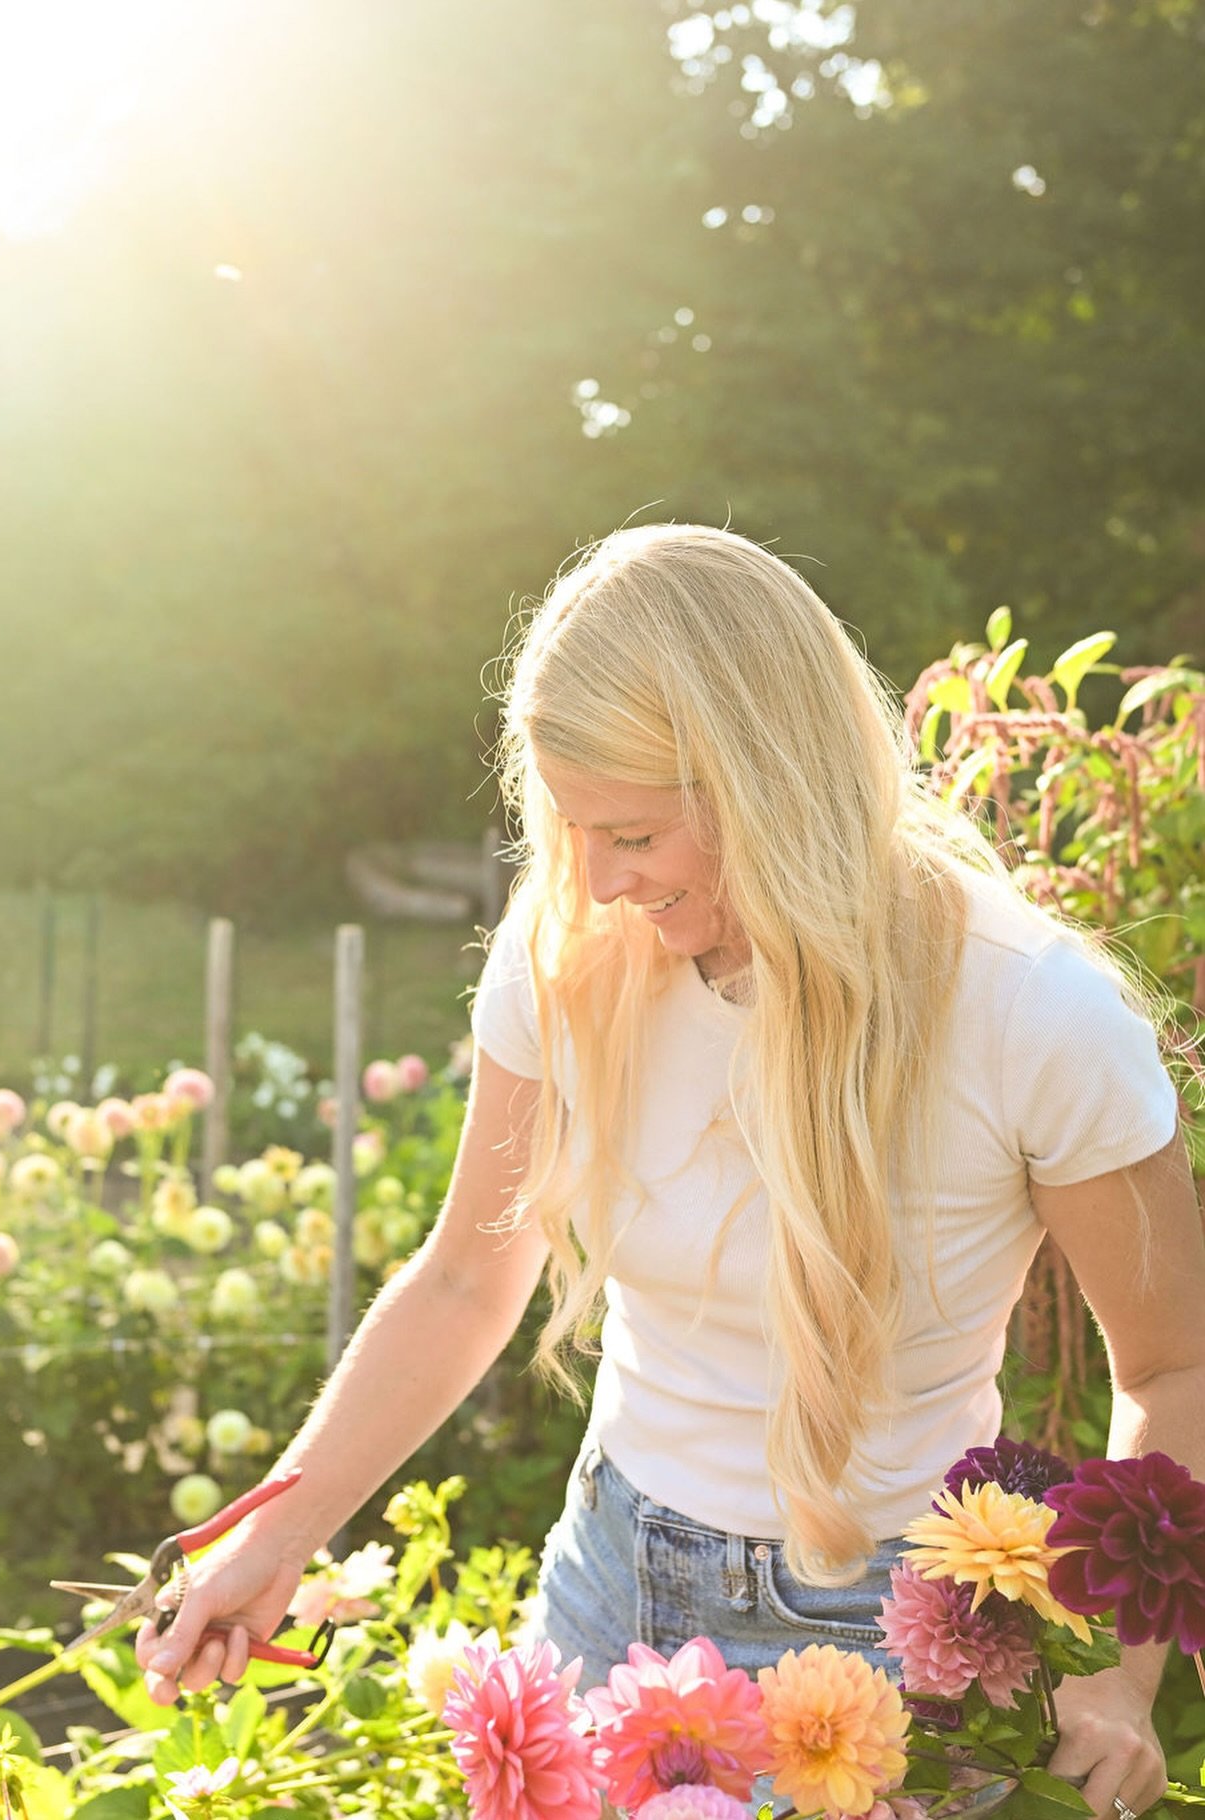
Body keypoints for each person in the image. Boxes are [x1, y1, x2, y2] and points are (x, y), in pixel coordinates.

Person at [137, 524, 1205, 1820]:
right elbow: (468, 1284)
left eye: (631, 833)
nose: (589, 879)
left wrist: (1119, 1676)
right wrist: (273, 1543)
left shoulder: (1031, 1014)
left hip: (903, 1644)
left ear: (765, 782)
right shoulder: (569, 959)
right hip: (612, 1588)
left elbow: (1170, 1367)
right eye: (571, 829)